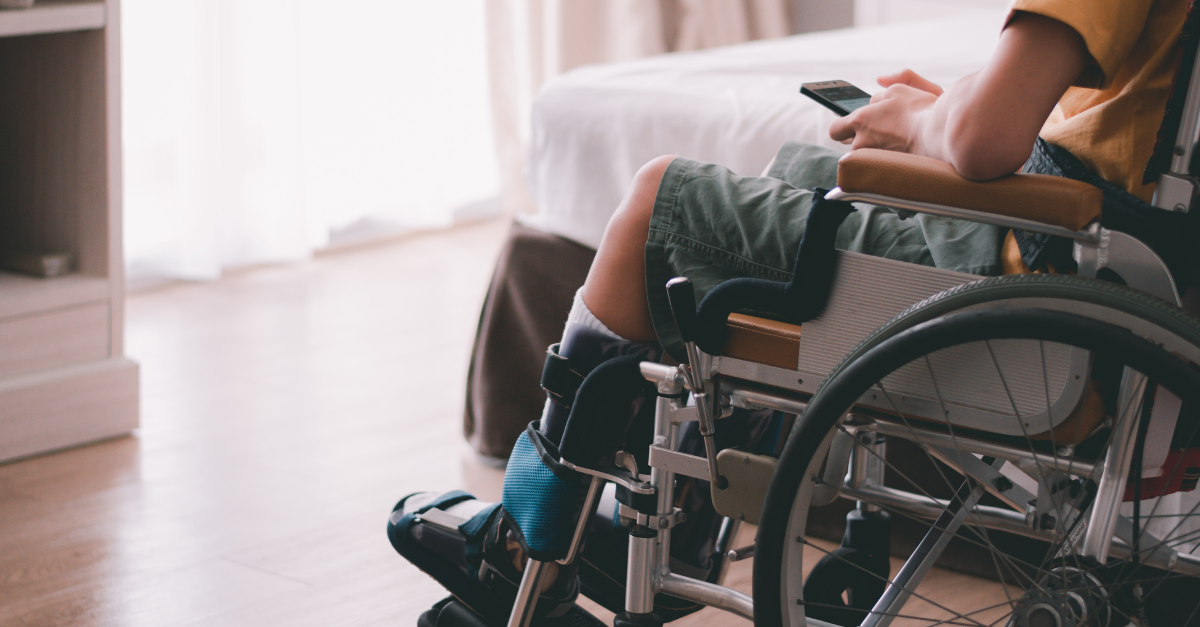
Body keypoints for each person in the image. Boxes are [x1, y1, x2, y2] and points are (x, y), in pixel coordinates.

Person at [390, 0, 1197, 620]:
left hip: (1033, 272)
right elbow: (1078, 129)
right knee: (798, 165)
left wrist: (931, 120)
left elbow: (987, 142)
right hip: (1113, 266)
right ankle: (691, 524)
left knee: (654, 203)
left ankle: (524, 546)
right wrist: (954, 103)